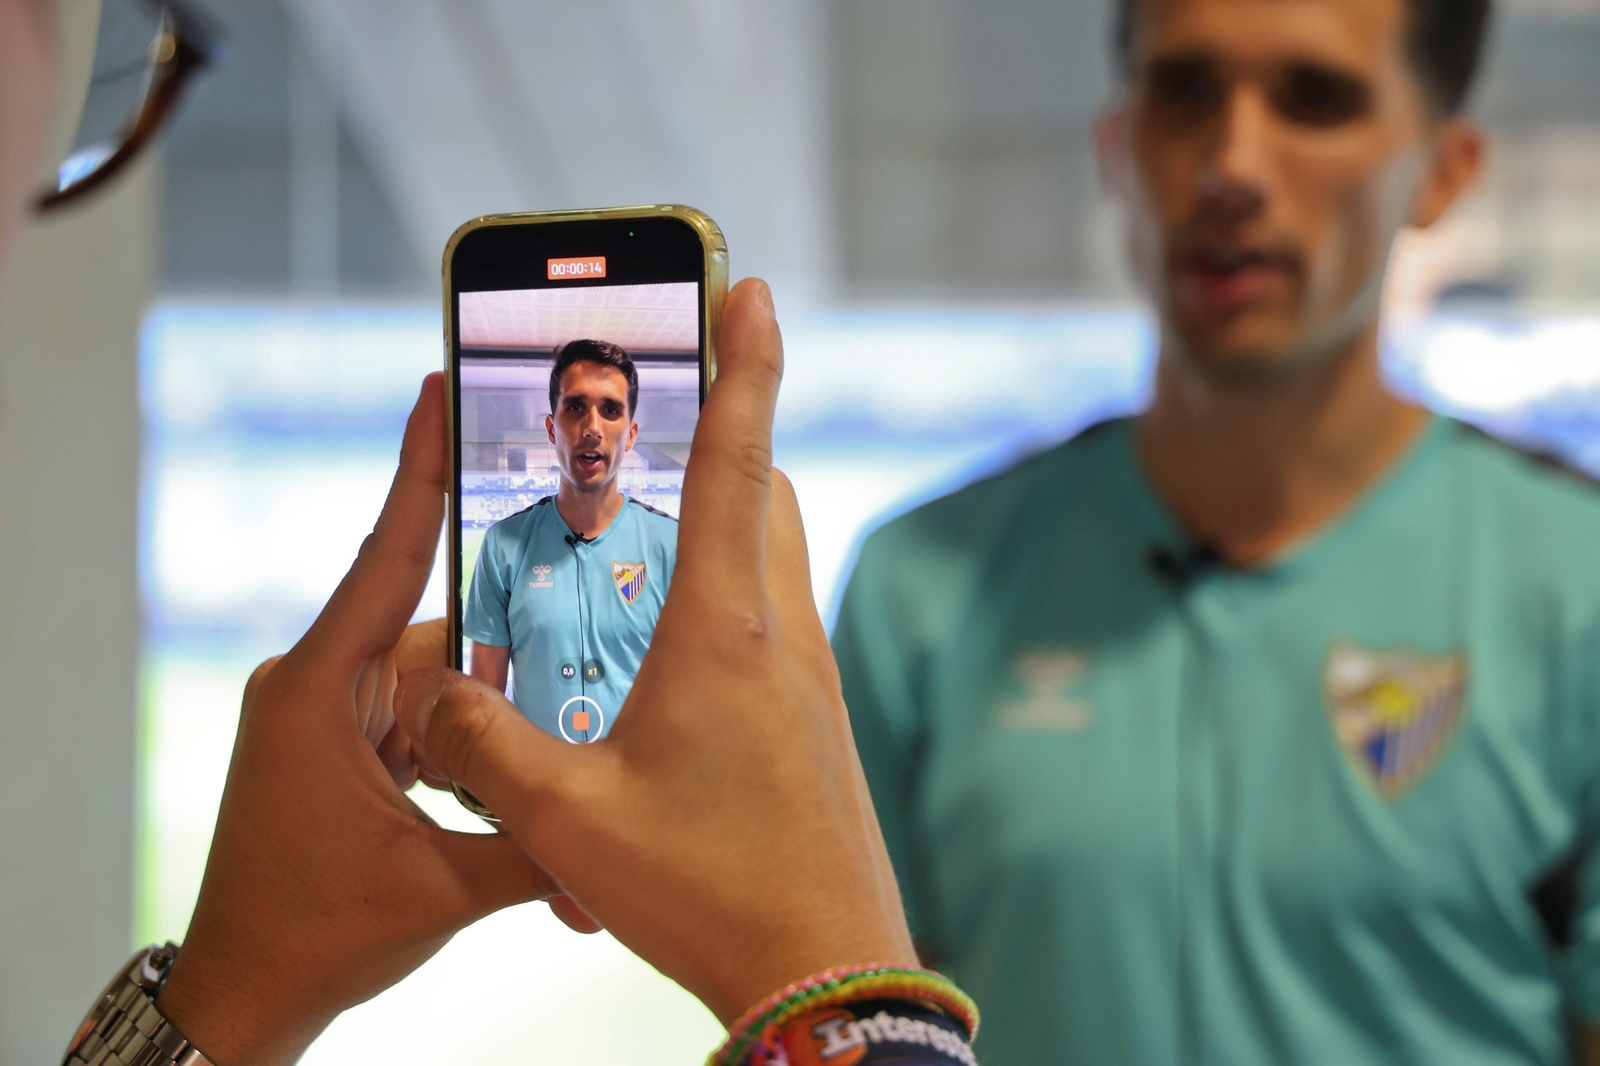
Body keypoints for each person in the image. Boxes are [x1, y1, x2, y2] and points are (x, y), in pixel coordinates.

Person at [0, 2, 979, 1064]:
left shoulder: (667, 540)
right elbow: (480, 690)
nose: (44, 191)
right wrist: (841, 970)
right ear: (553, 423)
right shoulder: (509, 546)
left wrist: (223, 1001)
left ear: (633, 423)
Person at [836, 0, 1600, 1062]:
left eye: (1314, 100)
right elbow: (852, 1021)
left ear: (1442, 170)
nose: (1231, 163)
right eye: (1186, 91)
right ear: (1116, 145)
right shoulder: (919, 589)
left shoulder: (1577, 590)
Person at [466, 339, 678, 743]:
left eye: (610, 410)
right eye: (576, 407)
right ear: (551, 427)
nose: (593, 428)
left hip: (638, 794)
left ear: (631, 435)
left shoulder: (673, 546)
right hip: (540, 796)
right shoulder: (502, 548)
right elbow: (485, 711)